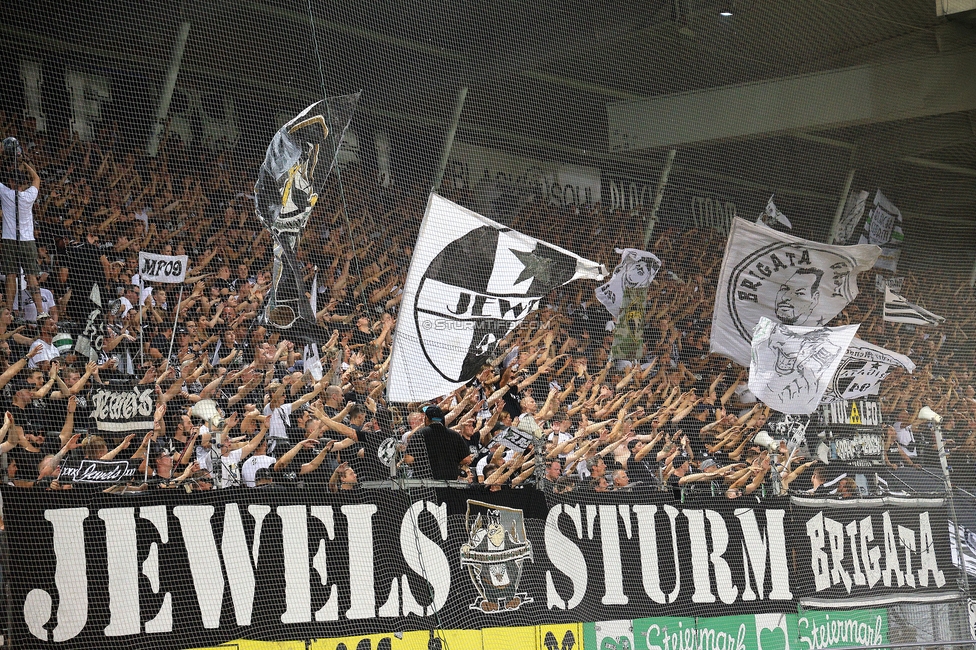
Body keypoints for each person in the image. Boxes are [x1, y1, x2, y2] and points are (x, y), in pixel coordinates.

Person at [0, 156, 44, 317]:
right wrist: (25, 163)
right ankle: (40, 312)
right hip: (27, 241)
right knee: (31, 276)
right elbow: (37, 178)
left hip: (10, 239)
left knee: (11, 275)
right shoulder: (29, 196)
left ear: (11, 182)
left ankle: (9, 311)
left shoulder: (5, 193)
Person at [406, 405, 471, 480]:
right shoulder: (454, 435)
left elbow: (409, 459)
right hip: (449, 482)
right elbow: (467, 459)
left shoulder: (419, 434)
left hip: (425, 483)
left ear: (426, 419)